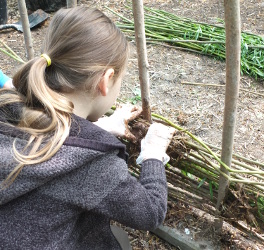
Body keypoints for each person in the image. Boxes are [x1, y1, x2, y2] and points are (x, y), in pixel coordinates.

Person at [0, 6, 175, 250]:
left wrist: (97, 130)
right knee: (119, 241)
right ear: (105, 81)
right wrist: (153, 153)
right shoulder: (91, 165)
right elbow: (149, 213)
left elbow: (49, 136)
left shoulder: (7, 107)